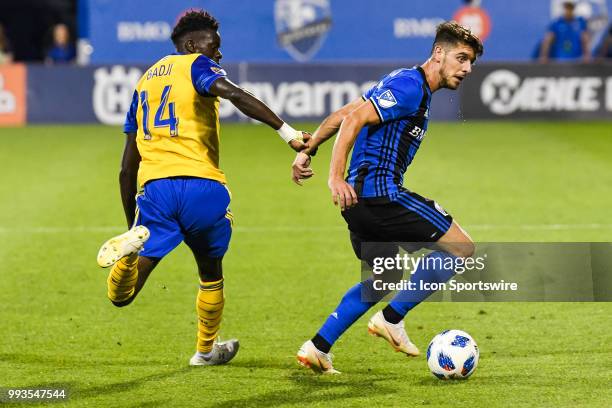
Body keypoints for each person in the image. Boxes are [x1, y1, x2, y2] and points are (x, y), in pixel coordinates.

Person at [96, 10, 309, 366]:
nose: (219, 54)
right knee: (210, 272)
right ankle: (206, 350)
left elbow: (125, 167)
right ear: (192, 45)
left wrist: (133, 223)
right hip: (202, 188)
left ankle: (130, 252)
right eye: (215, 46)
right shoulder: (196, 64)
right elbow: (235, 94)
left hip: (156, 192)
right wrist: (287, 133)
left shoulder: (144, 82)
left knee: (124, 294)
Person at [291, 21, 483, 374]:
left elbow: (346, 113)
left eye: (471, 62)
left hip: (359, 206)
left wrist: (310, 148)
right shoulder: (410, 85)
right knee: (462, 248)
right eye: (461, 58)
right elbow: (353, 123)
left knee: (385, 277)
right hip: (379, 195)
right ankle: (392, 319)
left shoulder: (405, 82)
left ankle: (318, 347)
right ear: (438, 53)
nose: (467, 69)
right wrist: (334, 177)